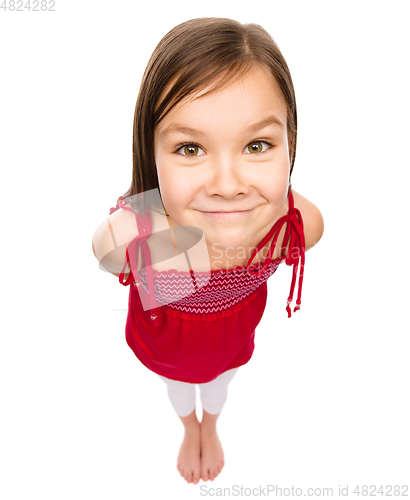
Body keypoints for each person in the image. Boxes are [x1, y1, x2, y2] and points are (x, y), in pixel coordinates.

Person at [92, 17, 324, 485]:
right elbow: (103, 252)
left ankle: (210, 425)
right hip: (166, 342)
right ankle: (187, 426)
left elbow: (315, 227)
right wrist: (154, 224)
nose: (227, 185)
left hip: (231, 340)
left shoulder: (286, 226)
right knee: (178, 390)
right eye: (191, 148)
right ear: (151, 151)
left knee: (219, 387)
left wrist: (269, 213)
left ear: (290, 146)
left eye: (257, 145)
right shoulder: (143, 234)